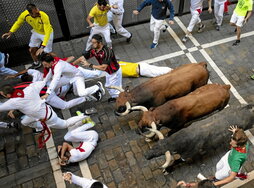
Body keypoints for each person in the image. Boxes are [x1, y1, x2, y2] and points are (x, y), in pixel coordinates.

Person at [0, 82, 87, 147]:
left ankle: (85, 115)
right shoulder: (29, 89)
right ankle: (40, 127)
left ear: (8, 95)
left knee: (65, 124)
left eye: (3, 95)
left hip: (49, 118)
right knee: (24, 122)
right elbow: (43, 82)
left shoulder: (13, 102)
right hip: (42, 111)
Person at [177, 125, 249, 187]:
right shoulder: (244, 142)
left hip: (230, 167)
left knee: (218, 176)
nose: (230, 143)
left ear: (238, 145)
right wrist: (235, 132)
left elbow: (231, 177)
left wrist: (215, 184)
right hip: (229, 157)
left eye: (233, 142)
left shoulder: (236, 160)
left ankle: (239, 175)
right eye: (231, 139)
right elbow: (242, 136)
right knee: (218, 166)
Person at [1, 4, 54, 68]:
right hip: (36, 32)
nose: (38, 13)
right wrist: (10, 32)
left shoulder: (43, 15)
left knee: (47, 54)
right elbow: (18, 23)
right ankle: (37, 63)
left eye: (38, 11)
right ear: (30, 13)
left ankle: (55, 63)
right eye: (36, 13)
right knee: (31, 50)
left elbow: (47, 32)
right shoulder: (24, 15)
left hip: (46, 34)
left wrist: (42, 47)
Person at [40, 53, 105, 101]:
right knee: (76, 93)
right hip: (70, 77)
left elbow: (55, 80)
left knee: (81, 93)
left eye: (45, 64)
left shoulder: (58, 67)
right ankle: (89, 95)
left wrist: (48, 93)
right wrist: (43, 82)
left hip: (77, 76)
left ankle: (97, 87)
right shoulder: (54, 61)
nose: (45, 66)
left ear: (51, 62)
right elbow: (50, 73)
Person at [81, 34, 122, 103]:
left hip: (114, 72)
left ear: (99, 43)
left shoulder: (107, 51)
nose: (92, 44)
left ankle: (118, 100)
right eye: (92, 42)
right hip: (109, 72)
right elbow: (82, 58)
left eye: (94, 42)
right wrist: (72, 64)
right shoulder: (94, 50)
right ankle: (117, 97)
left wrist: (89, 65)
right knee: (111, 86)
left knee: (113, 87)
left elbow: (103, 67)